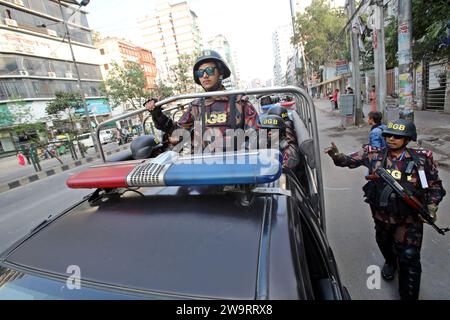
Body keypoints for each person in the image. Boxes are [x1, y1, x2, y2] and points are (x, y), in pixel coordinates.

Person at [324, 119, 446, 300]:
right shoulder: (373, 154)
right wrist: (336, 155)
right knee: (384, 244)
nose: (391, 139)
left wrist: (432, 206)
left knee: (409, 258)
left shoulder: (422, 159)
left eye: (397, 136)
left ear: (407, 139)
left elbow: (435, 186)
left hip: (409, 221)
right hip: (381, 217)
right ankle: (390, 261)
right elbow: (348, 161)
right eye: (388, 135)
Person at [145, 50, 259, 151]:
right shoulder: (196, 106)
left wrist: (241, 156)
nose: (205, 75)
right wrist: (157, 114)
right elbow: (178, 132)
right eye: (200, 72)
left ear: (220, 73)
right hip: (204, 165)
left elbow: (256, 135)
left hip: (236, 165)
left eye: (210, 70)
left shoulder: (239, 102)